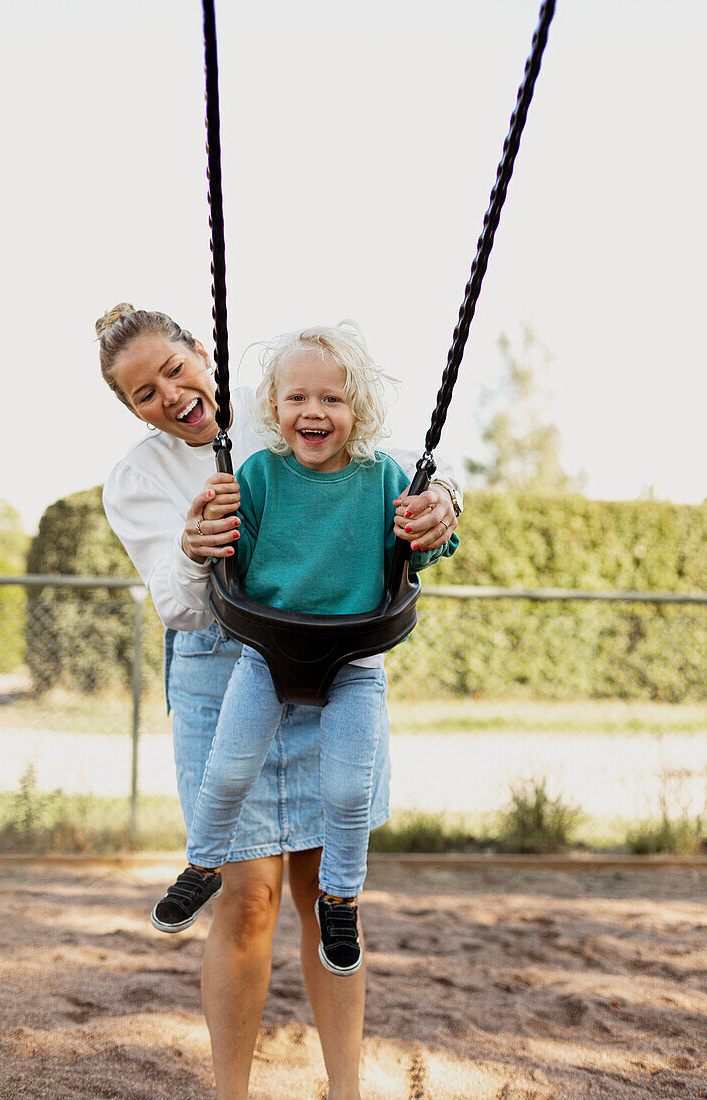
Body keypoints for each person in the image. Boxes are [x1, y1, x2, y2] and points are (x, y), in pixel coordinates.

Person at [98, 303, 462, 1100]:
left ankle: (344, 1090)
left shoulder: (285, 408)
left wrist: (446, 507)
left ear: (201, 351)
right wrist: (195, 552)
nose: (170, 394)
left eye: (173, 368)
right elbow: (183, 608)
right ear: (131, 410)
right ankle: (231, 1092)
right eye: (143, 394)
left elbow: (397, 466)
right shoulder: (136, 480)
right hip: (223, 668)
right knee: (250, 893)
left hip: (335, 654)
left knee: (325, 884)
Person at [150, 322, 459, 980]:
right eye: (296, 399)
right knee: (228, 772)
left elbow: (423, 549)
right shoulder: (257, 472)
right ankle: (202, 866)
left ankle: (340, 898)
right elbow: (226, 557)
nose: (312, 412)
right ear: (273, 410)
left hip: (352, 662)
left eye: (332, 399)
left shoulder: (384, 478)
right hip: (265, 652)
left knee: (348, 791)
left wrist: (428, 525)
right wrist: (206, 527)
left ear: (359, 411)